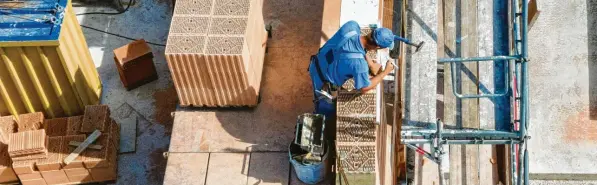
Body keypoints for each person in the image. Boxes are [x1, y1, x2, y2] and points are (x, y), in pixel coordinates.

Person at [309, 20, 396, 118]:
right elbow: (364, 88)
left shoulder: (351, 26)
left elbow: (357, 46)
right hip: (322, 82)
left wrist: (371, 63)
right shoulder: (360, 66)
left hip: (316, 63)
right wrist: (385, 72)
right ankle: (321, 113)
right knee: (326, 112)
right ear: (378, 47)